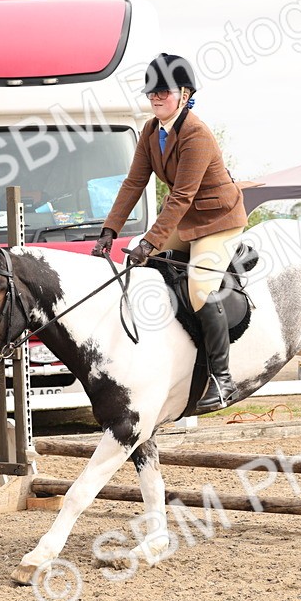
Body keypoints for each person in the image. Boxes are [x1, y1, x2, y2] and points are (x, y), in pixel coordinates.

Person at [94, 53, 248, 413]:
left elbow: (181, 195)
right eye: (152, 93)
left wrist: (152, 240)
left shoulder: (196, 134)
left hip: (218, 220)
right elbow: (134, 182)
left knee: (199, 288)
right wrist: (109, 229)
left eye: (163, 92)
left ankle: (223, 380)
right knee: (148, 265)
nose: (156, 98)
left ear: (184, 92)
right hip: (187, 219)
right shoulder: (150, 131)